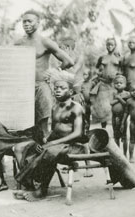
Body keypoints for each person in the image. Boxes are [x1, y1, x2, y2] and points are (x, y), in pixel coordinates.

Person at [14, 70, 88, 202]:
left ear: (71, 92)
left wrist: (53, 143)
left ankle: (41, 191)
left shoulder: (76, 108)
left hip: (74, 146)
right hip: (58, 145)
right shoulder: (55, 108)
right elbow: (54, 132)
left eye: (62, 88)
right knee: (32, 149)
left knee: (49, 151)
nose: (57, 90)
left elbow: (78, 134)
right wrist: (46, 141)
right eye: (56, 88)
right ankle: (30, 185)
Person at [15, 10, 74, 136]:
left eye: (29, 21)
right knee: (25, 125)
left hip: (41, 86)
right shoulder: (19, 43)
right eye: (24, 21)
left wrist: (54, 72)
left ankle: (46, 152)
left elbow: (68, 61)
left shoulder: (45, 42)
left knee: (43, 124)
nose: (26, 24)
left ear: (38, 23)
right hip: (24, 87)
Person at [90, 37, 122, 128]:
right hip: (103, 84)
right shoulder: (102, 57)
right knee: (103, 107)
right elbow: (96, 68)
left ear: (115, 46)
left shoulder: (118, 58)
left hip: (114, 85)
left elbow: (122, 70)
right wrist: (99, 73)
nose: (110, 46)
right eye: (108, 45)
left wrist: (118, 75)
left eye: (112, 45)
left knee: (116, 106)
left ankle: (117, 130)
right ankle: (103, 129)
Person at [110, 75, 130, 154]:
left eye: (121, 83)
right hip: (114, 117)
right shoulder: (113, 93)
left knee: (124, 136)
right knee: (116, 136)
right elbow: (111, 103)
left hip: (123, 117)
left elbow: (126, 104)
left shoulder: (127, 94)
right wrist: (119, 98)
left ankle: (125, 154)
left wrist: (118, 98)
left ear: (125, 84)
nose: (118, 84)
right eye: (116, 83)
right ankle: (118, 154)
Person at [80, 67, 94, 133]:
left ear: (89, 75)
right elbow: (81, 92)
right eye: (83, 74)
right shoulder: (82, 84)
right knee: (83, 117)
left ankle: (87, 130)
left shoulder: (92, 83)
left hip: (90, 103)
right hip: (84, 103)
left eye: (85, 74)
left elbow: (94, 93)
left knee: (88, 117)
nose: (84, 76)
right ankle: (83, 131)